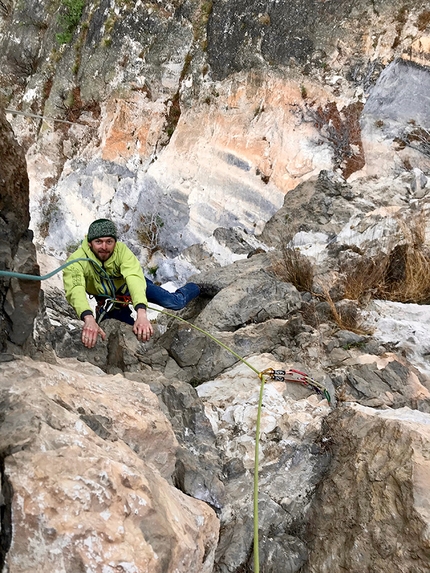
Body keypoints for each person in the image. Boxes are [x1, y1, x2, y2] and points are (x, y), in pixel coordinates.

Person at [63, 218, 211, 348]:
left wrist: (141, 313)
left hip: (133, 286)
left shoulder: (122, 252)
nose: (104, 247)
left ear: (115, 242)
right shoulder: (77, 260)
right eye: (98, 242)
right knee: (125, 334)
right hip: (109, 302)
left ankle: (196, 287)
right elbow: (75, 288)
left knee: (175, 302)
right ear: (89, 243)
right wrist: (88, 318)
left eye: (109, 241)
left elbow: (134, 278)